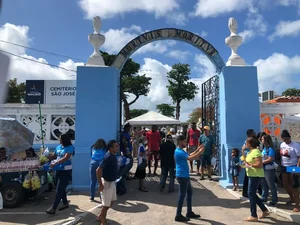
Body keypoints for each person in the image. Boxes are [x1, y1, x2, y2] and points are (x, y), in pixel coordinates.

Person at [174, 135, 204, 222]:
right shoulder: (179, 151)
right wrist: (200, 152)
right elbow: (190, 158)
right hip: (182, 176)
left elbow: (189, 154)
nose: (186, 143)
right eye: (184, 141)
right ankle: (178, 215)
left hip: (185, 175)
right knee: (182, 195)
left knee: (189, 193)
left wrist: (198, 149)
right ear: (180, 142)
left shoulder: (181, 151)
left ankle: (189, 212)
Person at [46, 134, 75, 214]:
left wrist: (56, 163)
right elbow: (54, 156)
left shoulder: (70, 148)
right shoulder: (58, 147)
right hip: (58, 169)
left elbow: (66, 157)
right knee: (60, 188)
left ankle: (54, 208)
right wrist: (47, 155)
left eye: (60, 139)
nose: (59, 140)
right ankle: (65, 203)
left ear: (64, 140)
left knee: (59, 189)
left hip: (66, 171)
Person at [242, 137, 269, 222]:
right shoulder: (250, 152)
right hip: (251, 174)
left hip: (256, 175)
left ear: (250, 144)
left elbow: (259, 164)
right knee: (252, 194)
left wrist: (250, 165)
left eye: (246, 143)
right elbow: (245, 160)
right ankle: (264, 210)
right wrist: (243, 151)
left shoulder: (256, 151)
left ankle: (254, 215)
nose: (245, 144)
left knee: (251, 194)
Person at [96, 140, 119, 224]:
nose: (117, 147)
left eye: (117, 146)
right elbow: (98, 170)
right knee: (106, 205)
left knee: (112, 200)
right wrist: (100, 185)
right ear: (110, 148)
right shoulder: (107, 157)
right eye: (115, 146)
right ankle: (103, 221)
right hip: (106, 183)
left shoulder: (113, 155)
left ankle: (101, 216)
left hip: (112, 182)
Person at [280, 130, 300, 212]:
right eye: (284, 140)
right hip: (284, 166)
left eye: (287, 139)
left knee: (294, 186)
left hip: (293, 166)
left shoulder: (295, 145)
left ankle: (297, 205)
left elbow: (299, 157)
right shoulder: (282, 144)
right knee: (285, 184)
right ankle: (292, 198)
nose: (286, 141)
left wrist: (298, 168)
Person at [261, 134, 278, 206]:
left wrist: (261, 162)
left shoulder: (271, 149)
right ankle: (264, 197)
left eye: (262, 139)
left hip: (268, 169)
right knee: (264, 184)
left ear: (266, 140)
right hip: (263, 168)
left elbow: (270, 159)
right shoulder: (264, 148)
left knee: (271, 185)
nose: (261, 140)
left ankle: (274, 200)